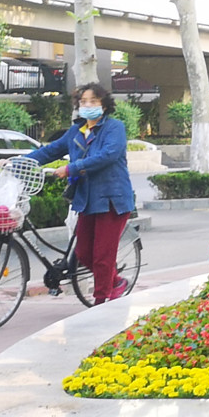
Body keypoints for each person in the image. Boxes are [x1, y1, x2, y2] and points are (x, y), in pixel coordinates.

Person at [24, 82, 136, 302]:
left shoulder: (114, 128)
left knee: (102, 256)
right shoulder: (76, 131)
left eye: (93, 101)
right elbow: (50, 151)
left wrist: (71, 168)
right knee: (83, 254)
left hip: (112, 200)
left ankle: (101, 302)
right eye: (84, 102)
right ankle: (116, 282)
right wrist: (19, 162)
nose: (88, 105)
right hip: (86, 200)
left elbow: (107, 155)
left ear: (104, 105)